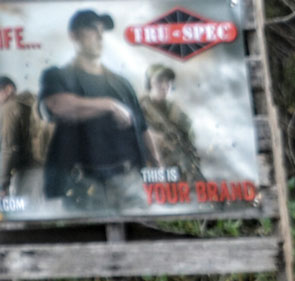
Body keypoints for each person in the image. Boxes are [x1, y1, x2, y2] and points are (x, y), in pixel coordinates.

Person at [40, 9, 155, 210]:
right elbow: (58, 106)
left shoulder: (121, 83)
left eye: (102, 31)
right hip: (84, 184)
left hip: (129, 182)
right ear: (74, 35)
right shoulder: (58, 76)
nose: (100, 36)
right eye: (92, 29)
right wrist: (109, 105)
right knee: (87, 231)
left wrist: (158, 167)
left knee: (144, 227)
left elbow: (142, 128)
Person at [138, 64, 200, 182]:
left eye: (168, 81)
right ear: (150, 83)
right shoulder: (139, 109)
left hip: (182, 167)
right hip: (154, 170)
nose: (165, 85)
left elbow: (190, 138)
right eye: (160, 81)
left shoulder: (176, 112)